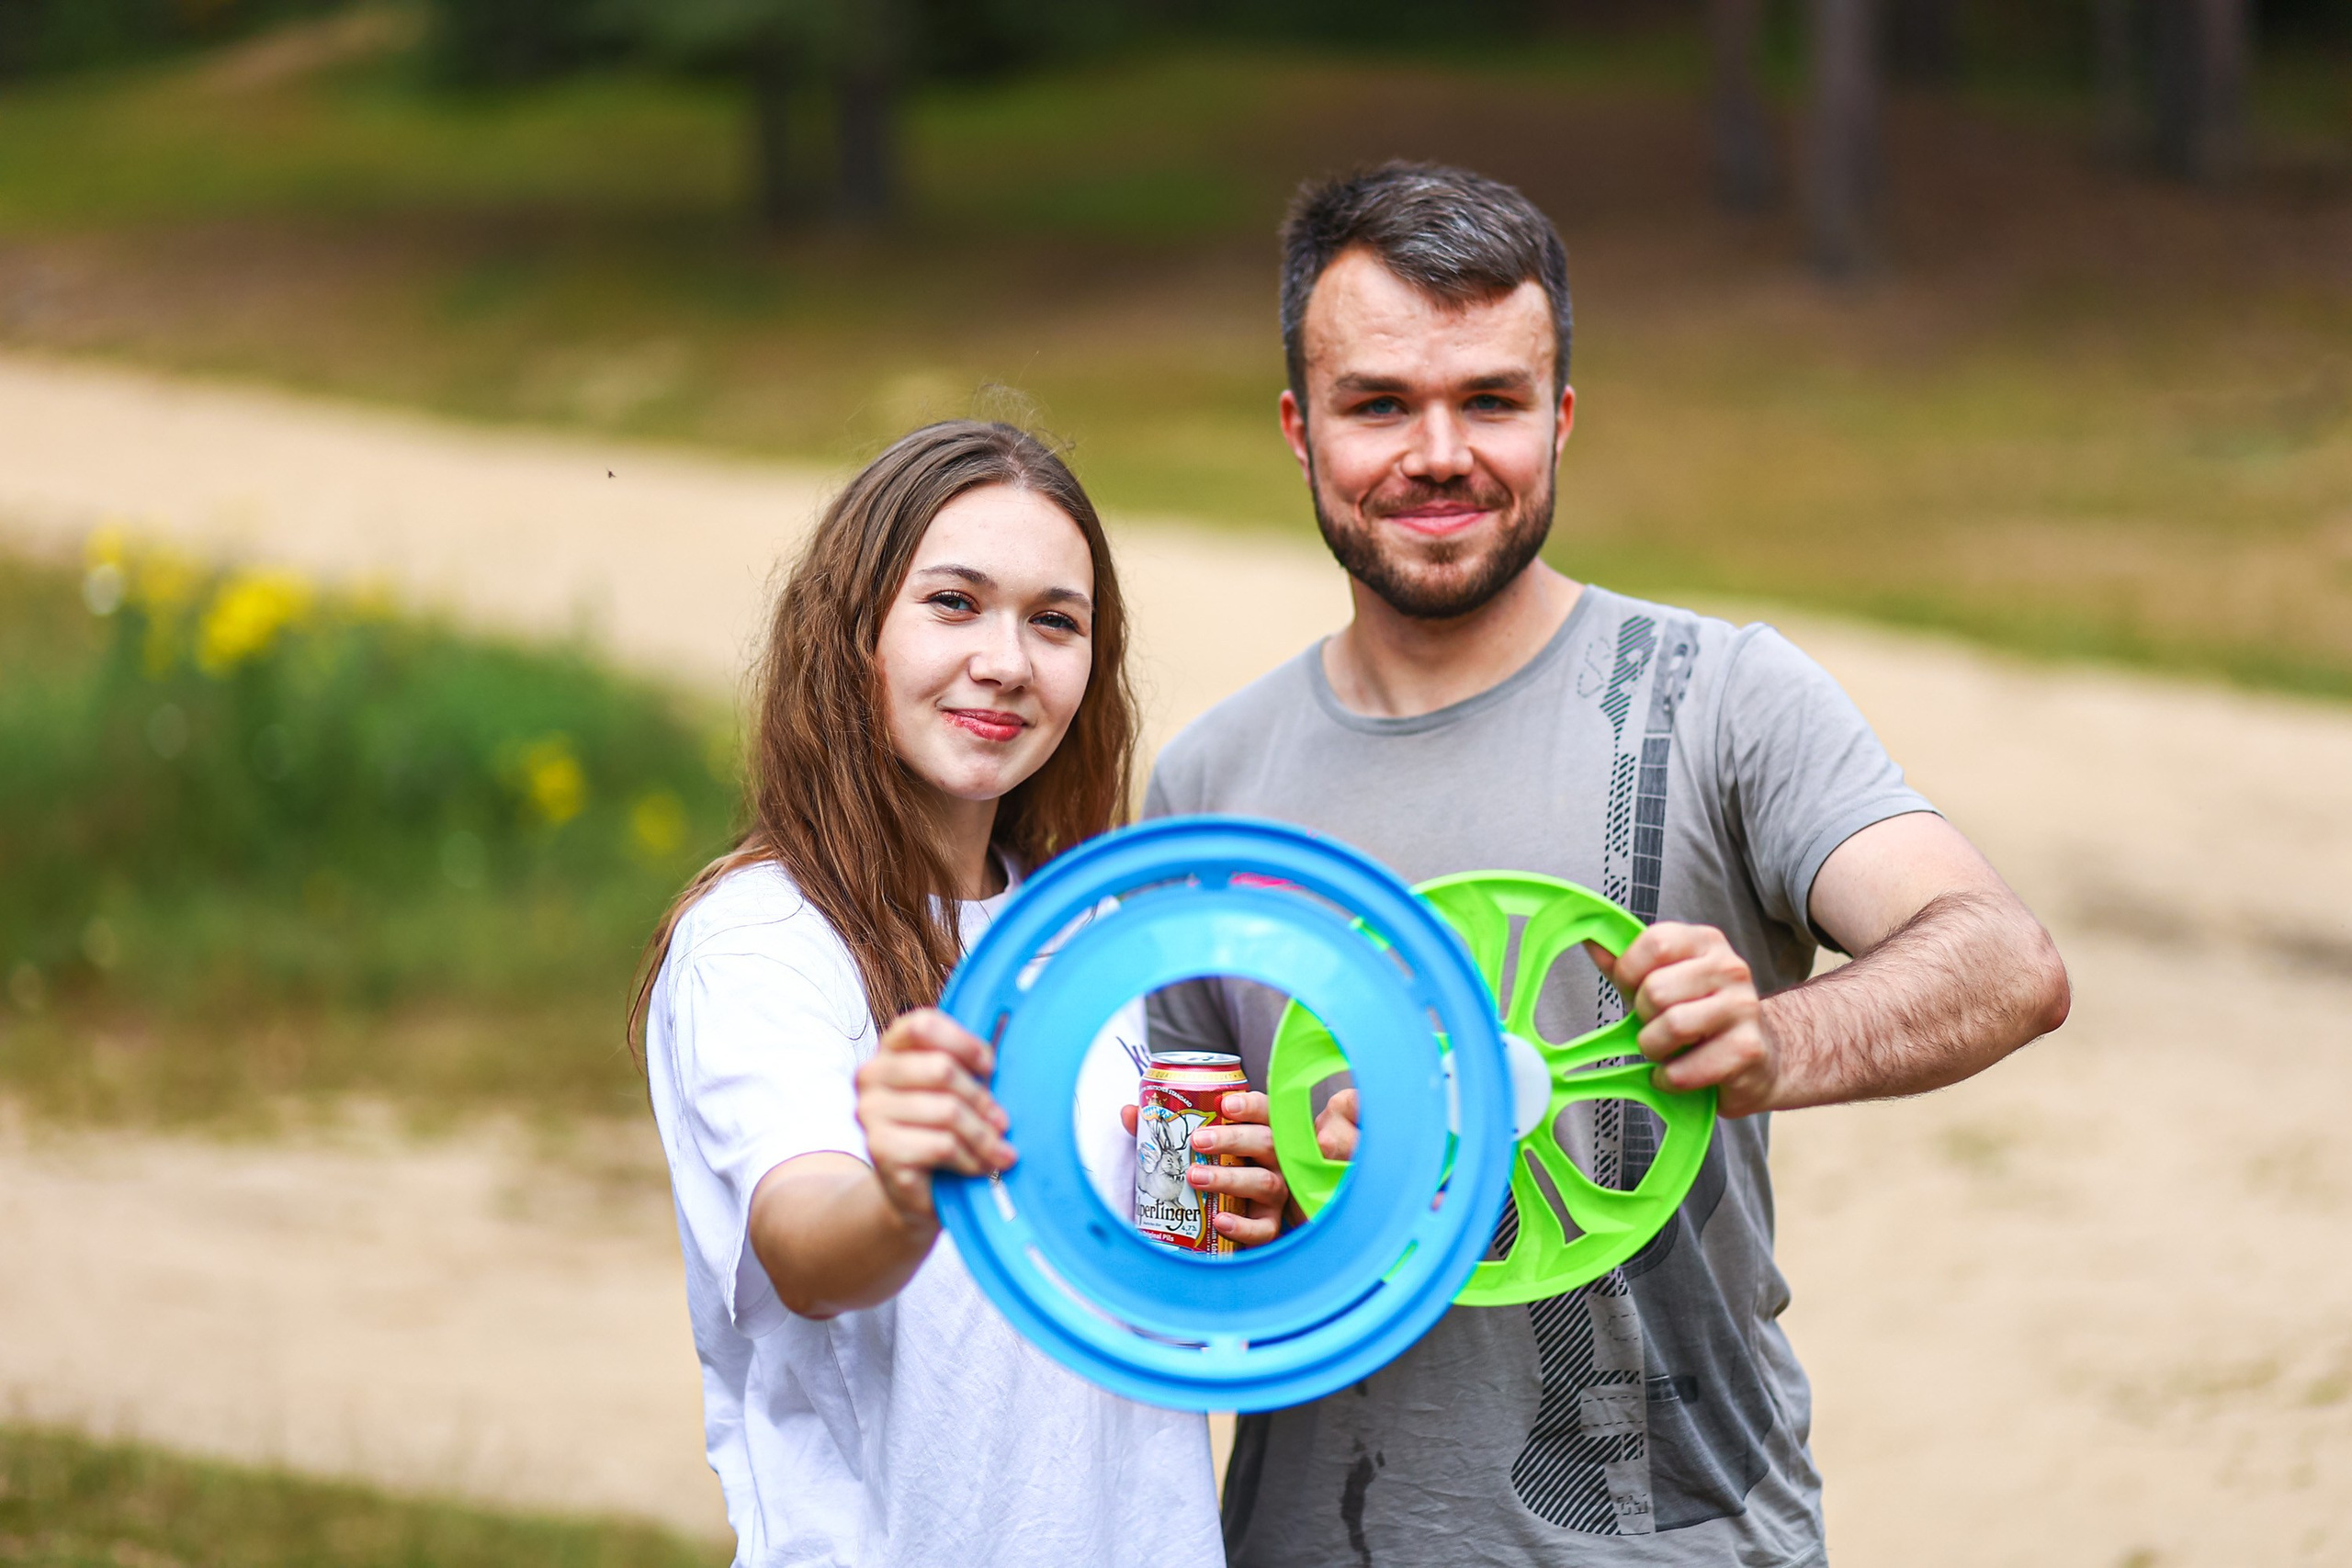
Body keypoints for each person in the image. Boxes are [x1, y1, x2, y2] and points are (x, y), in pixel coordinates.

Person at [1144, 164, 2072, 1565]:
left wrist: (1766, 1036)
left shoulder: (1727, 695)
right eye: (1380, 401)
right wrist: (1248, 1210)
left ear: (1562, 416)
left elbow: (2005, 959)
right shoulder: (1208, 790)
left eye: (1494, 401)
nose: (1439, 451)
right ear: (1299, 426)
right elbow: (1172, 1243)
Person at [629, 422, 1283, 1567]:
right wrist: (905, 1194)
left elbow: (1133, 1285)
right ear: (853, 633)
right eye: (953, 603)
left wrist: (1259, 1199)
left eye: (1055, 621)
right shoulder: (762, 938)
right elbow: (803, 1242)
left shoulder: (1082, 924)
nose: (1007, 661)